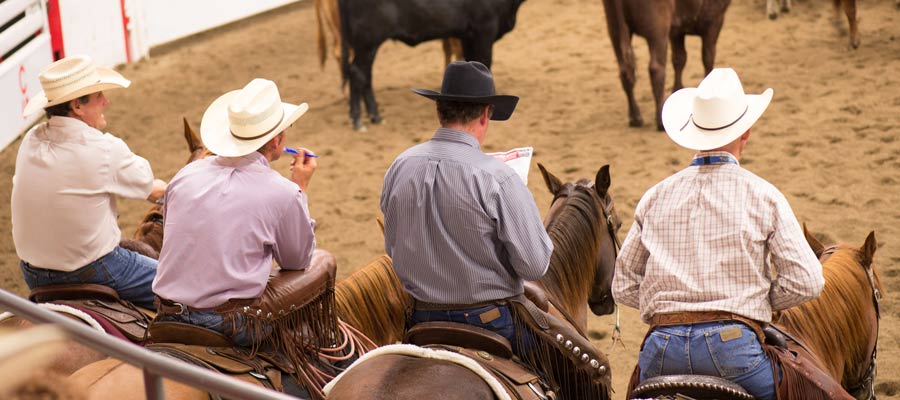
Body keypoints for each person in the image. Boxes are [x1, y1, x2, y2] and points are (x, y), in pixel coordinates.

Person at [612, 68, 825, 400]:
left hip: (661, 349)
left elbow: (622, 284)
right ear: (746, 132)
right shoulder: (764, 195)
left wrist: (667, 305)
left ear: (693, 133)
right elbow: (808, 281)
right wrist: (754, 302)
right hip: (733, 348)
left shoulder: (655, 196)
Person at [380, 61, 553, 350]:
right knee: (572, 371)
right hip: (491, 321)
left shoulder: (400, 165)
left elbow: (392, 243)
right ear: (485, 115)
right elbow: (534, 265)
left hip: (421, 319)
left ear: (439, 111)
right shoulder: (499, 178)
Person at [152, 78, 317, 347]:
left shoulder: (185, 174)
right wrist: (301, 187)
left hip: (167, 313)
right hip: (231, 323)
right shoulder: (283, 192)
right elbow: (297, 261)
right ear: (276, 140)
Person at [12, 54, 167, 310]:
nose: (106, 101)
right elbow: (149, 187)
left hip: (34, 274)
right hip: (95, 269)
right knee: (183, 291)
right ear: (77, 106)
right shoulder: (104, 149)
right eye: (99, 96)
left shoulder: (30, 140)